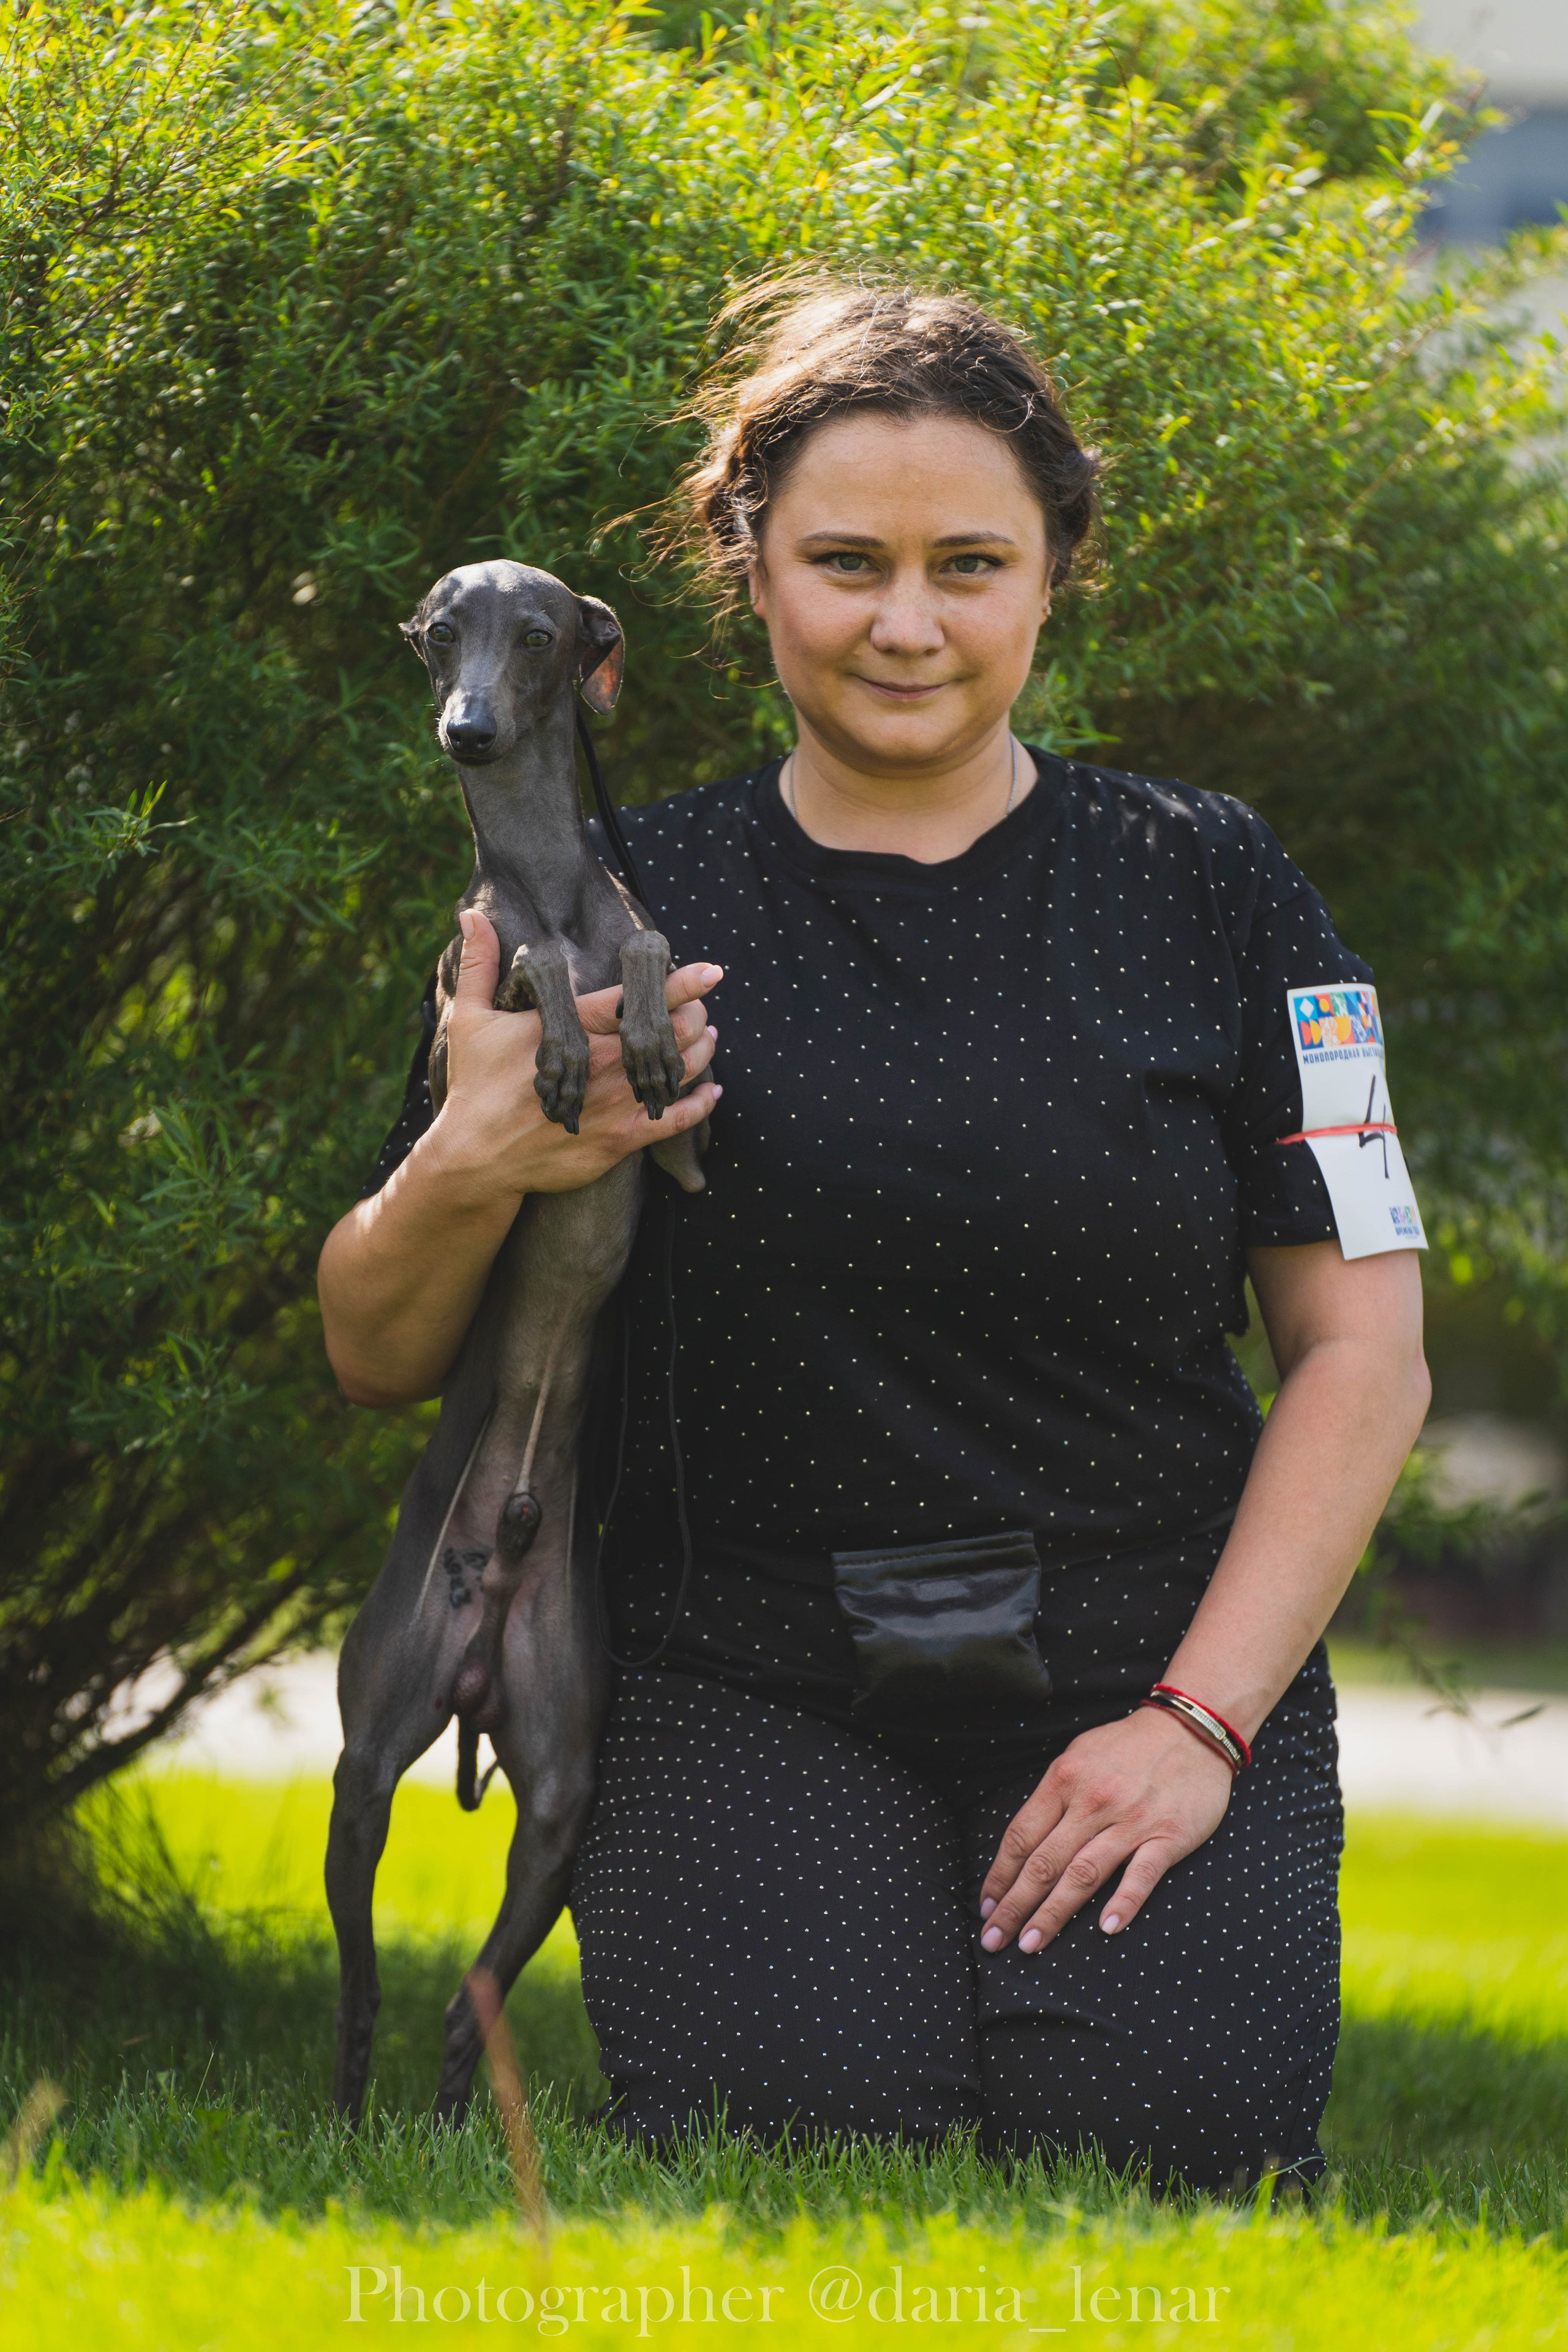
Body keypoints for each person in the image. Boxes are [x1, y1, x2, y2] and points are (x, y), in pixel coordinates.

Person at [318, 282, 1430, 2190]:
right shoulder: (610, 897)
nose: (905, 621)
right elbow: (373, 1346)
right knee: (805, 2129)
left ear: (1054, 572)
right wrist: (473, 1159)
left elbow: (1363, 1353)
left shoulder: (1216, 882)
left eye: (968, 562)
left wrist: (1199, 1722)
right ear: (747, 574)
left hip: (1142, 1661)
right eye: (844, 561)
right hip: (739, 1667)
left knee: (1161, 2144)